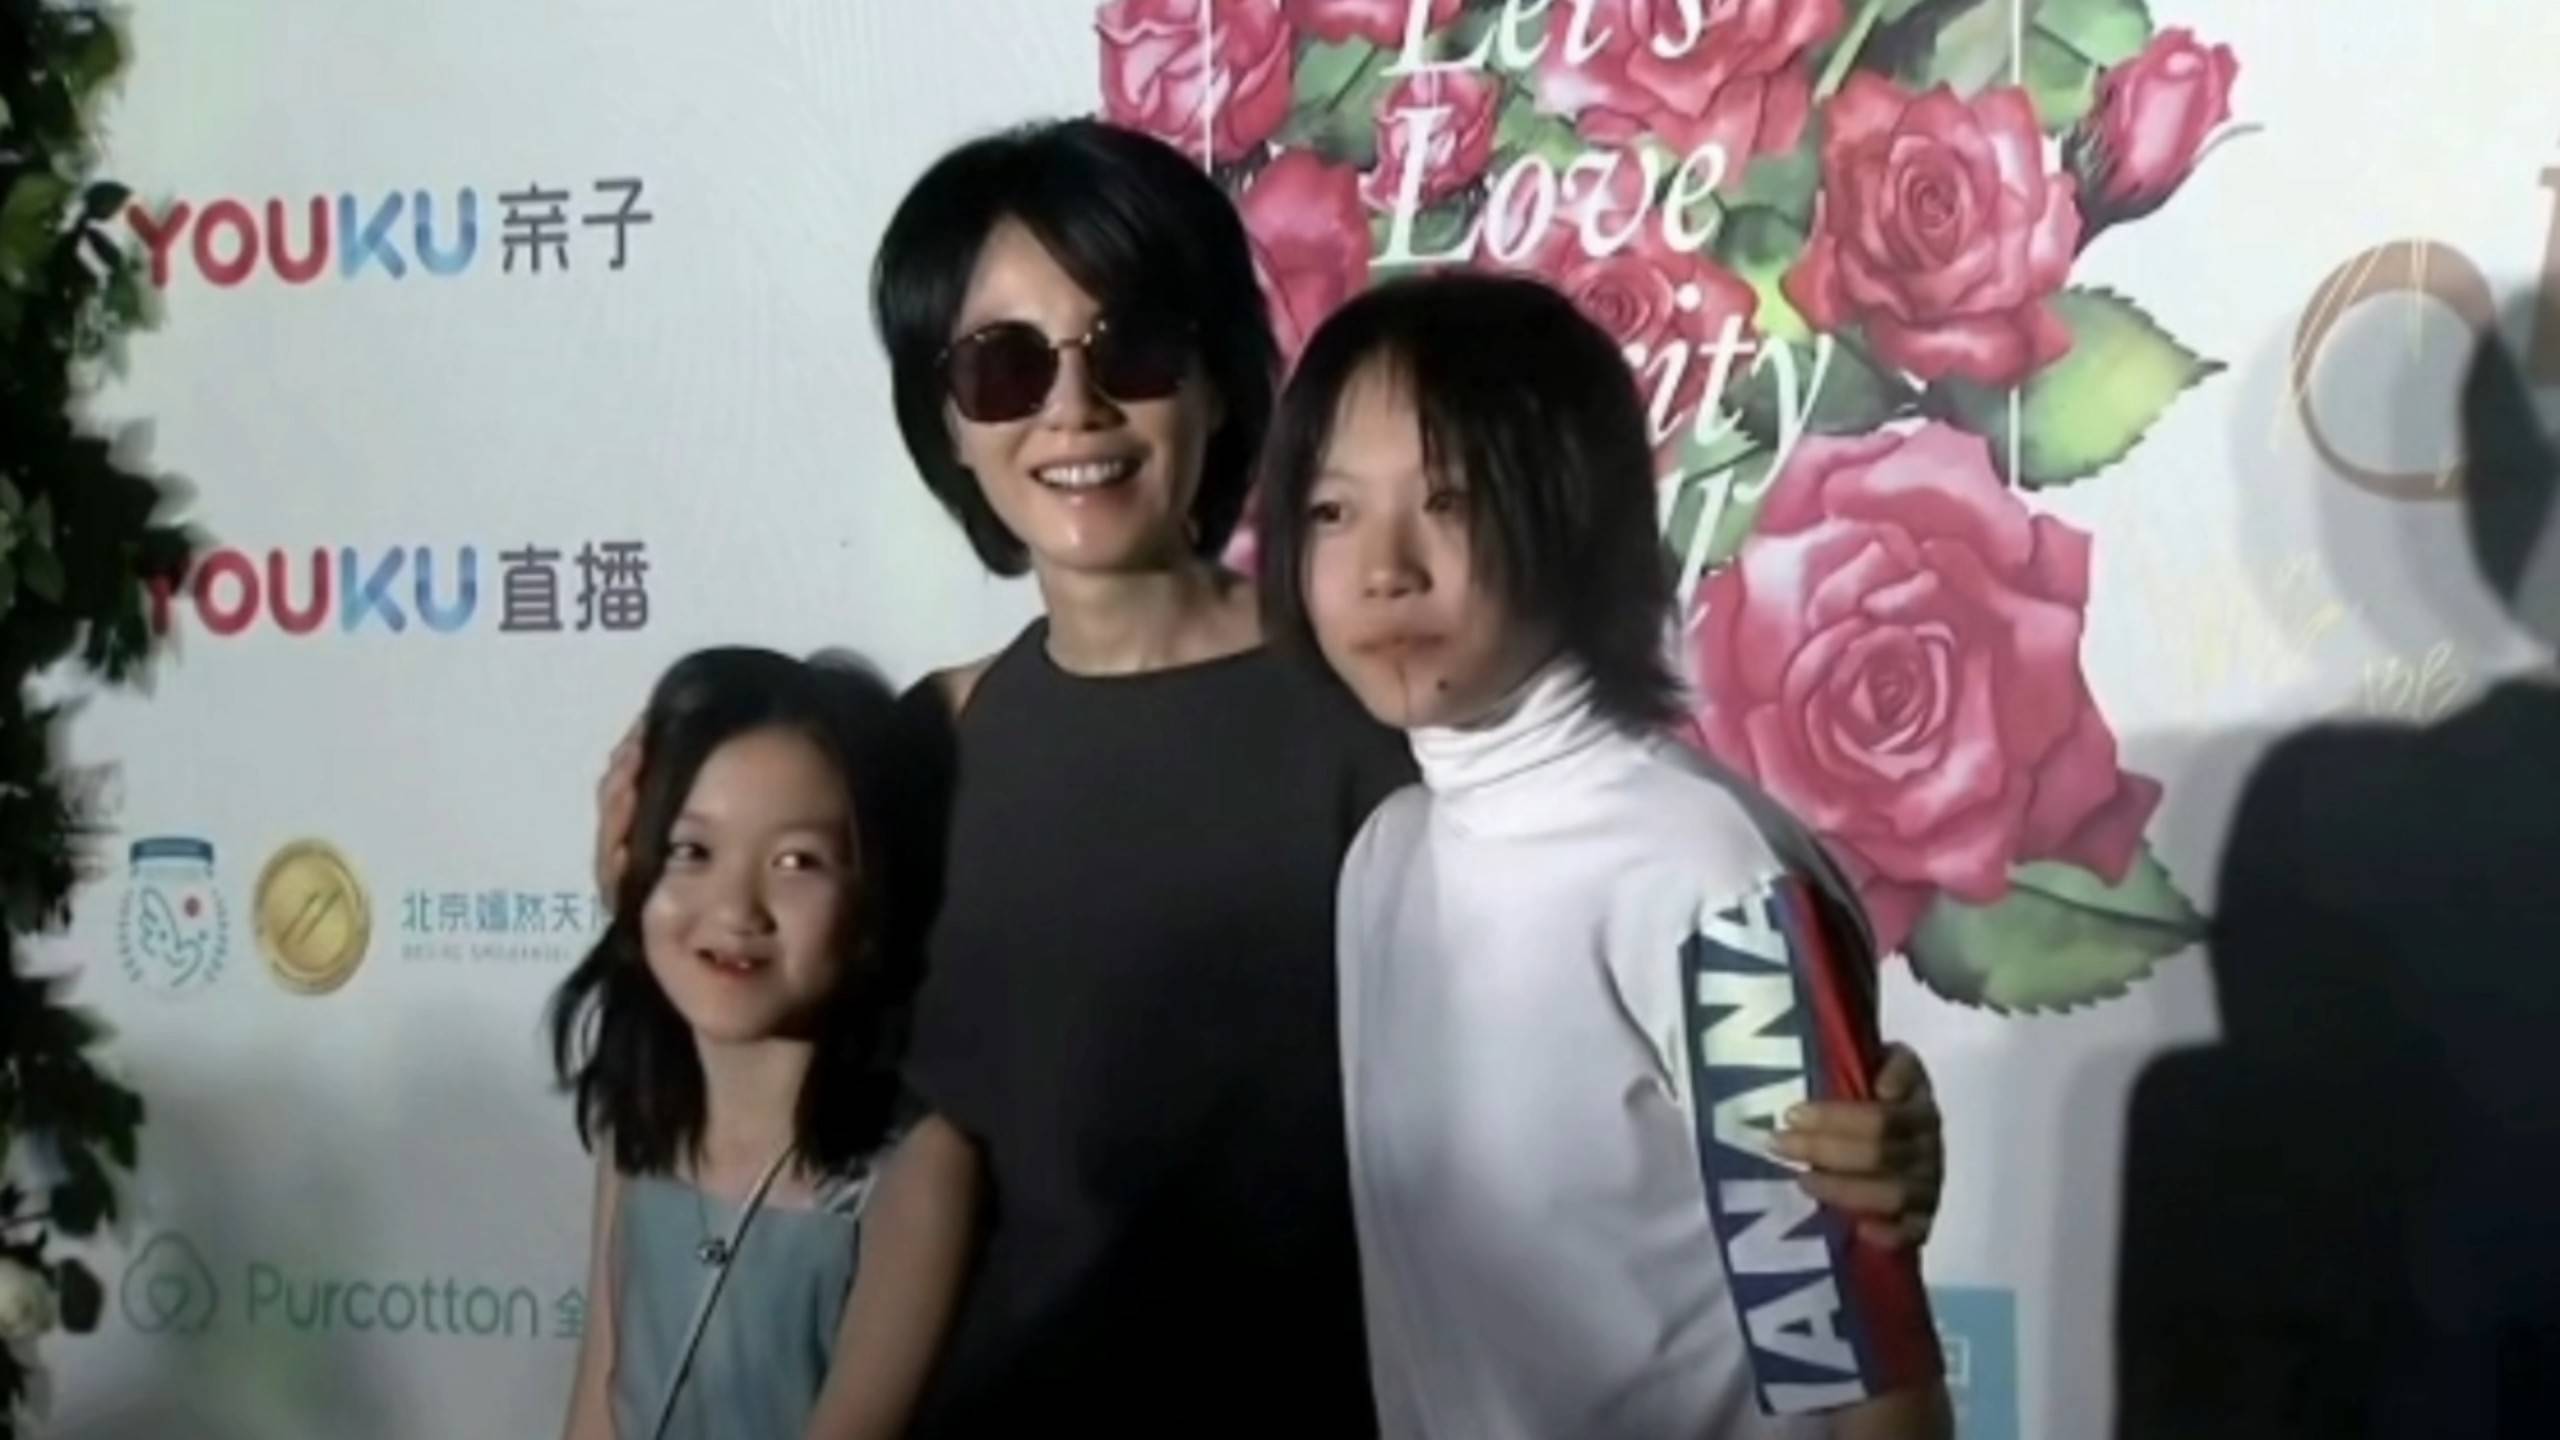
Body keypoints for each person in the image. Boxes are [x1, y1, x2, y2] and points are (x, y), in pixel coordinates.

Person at [593, 118, 1944, 1432]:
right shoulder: (920, 744)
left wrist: (1863, 1147)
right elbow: (788, 1064)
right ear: (945, 419)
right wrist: (652, 882)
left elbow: (1650, 929)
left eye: (1132, 347)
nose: (1072, 408)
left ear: (1220, 378)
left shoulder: (1395, 711)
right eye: (1002, 366)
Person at [1255, 272, 1954, 1437]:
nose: (1383, 567)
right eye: (1332, 512)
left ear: (1570, 515)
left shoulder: (1700, 873)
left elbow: (1867, 1381)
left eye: (1450, 499)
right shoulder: (1384, 855)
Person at [553, 647, 974, 1440]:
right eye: (692, 851)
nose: (736, 908)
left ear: (870, 896)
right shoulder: (640, 1124)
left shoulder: (915, 1169)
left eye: (796, 862)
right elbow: (595, 1412)